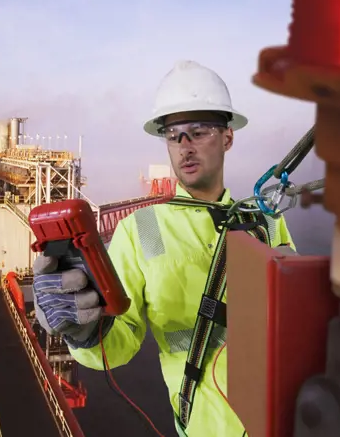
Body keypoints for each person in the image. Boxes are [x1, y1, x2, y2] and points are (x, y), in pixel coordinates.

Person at [33, 60, 296, 437]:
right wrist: (83, 332)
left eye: (198, 132)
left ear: (227, 138)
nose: (184, 147)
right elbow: (118, 342)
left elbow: (299, 312)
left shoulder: (266, 219)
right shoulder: (141, 230)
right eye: (174, 136)